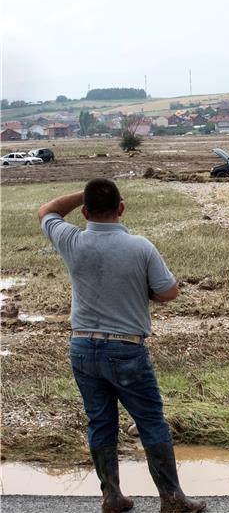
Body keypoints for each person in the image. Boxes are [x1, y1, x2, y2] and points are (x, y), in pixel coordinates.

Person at [38, 178, 206, 513]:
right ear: (122, 208)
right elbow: (169, 292)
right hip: (126, 348)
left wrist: (83, 192)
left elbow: (47, 210)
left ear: (84, 211)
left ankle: (112, 496)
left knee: (100, 422)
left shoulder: (71, 240)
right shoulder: (140, 246)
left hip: (82, 346)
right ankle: (171, 498)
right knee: (150, 421)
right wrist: (143, 292)